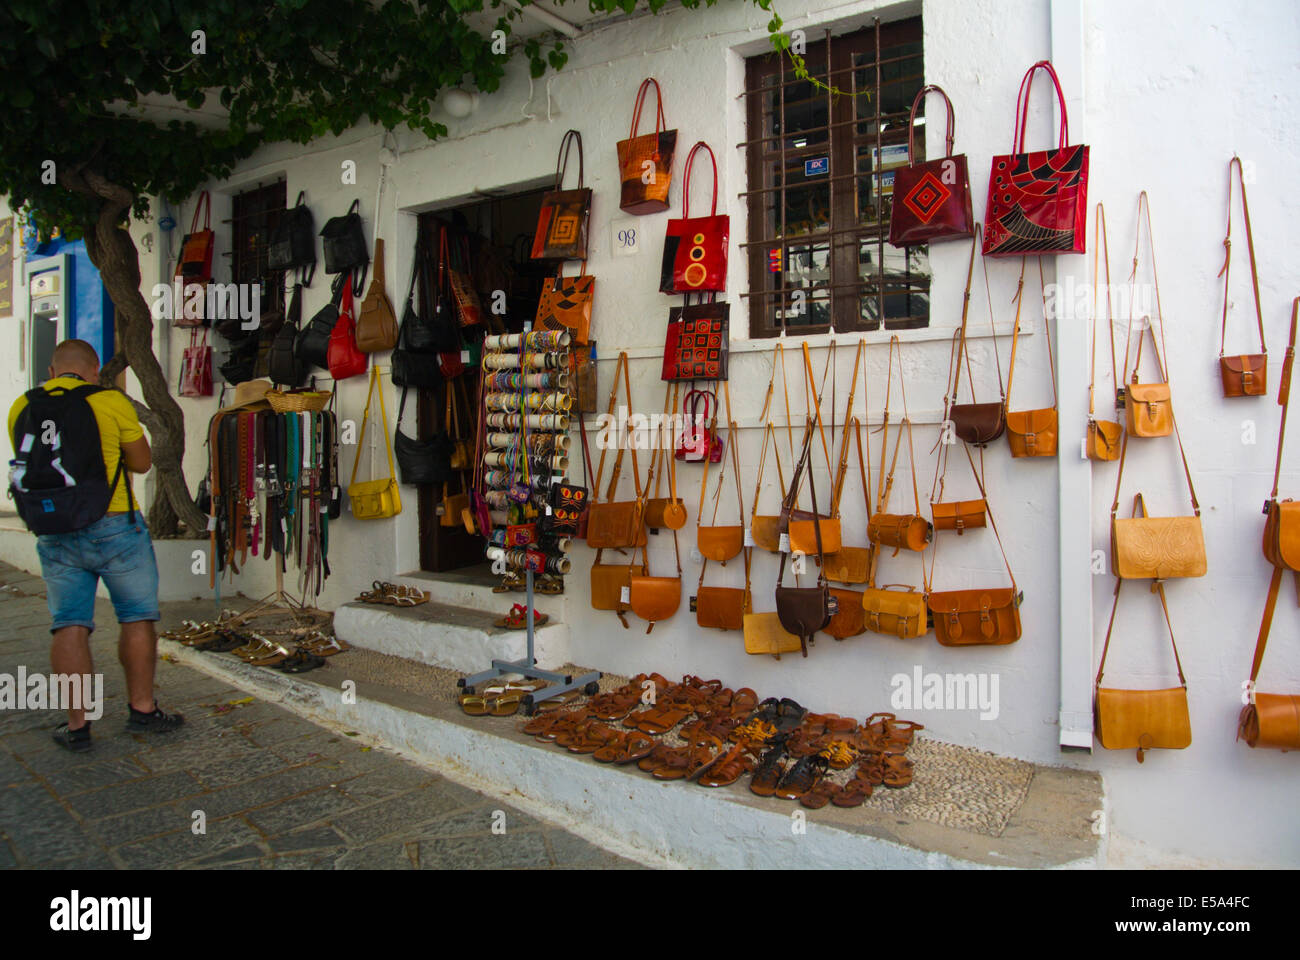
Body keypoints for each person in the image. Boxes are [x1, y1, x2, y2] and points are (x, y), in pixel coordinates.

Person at [7, 339, 184, 752]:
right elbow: (141, 463)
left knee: (69, 622)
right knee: (136, 616)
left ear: (52, 372)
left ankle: (77, 726)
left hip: (54, 528)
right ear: (94, 371)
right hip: (114, 525)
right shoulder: (110, 401)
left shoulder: (22, 405)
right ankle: (142, 710)